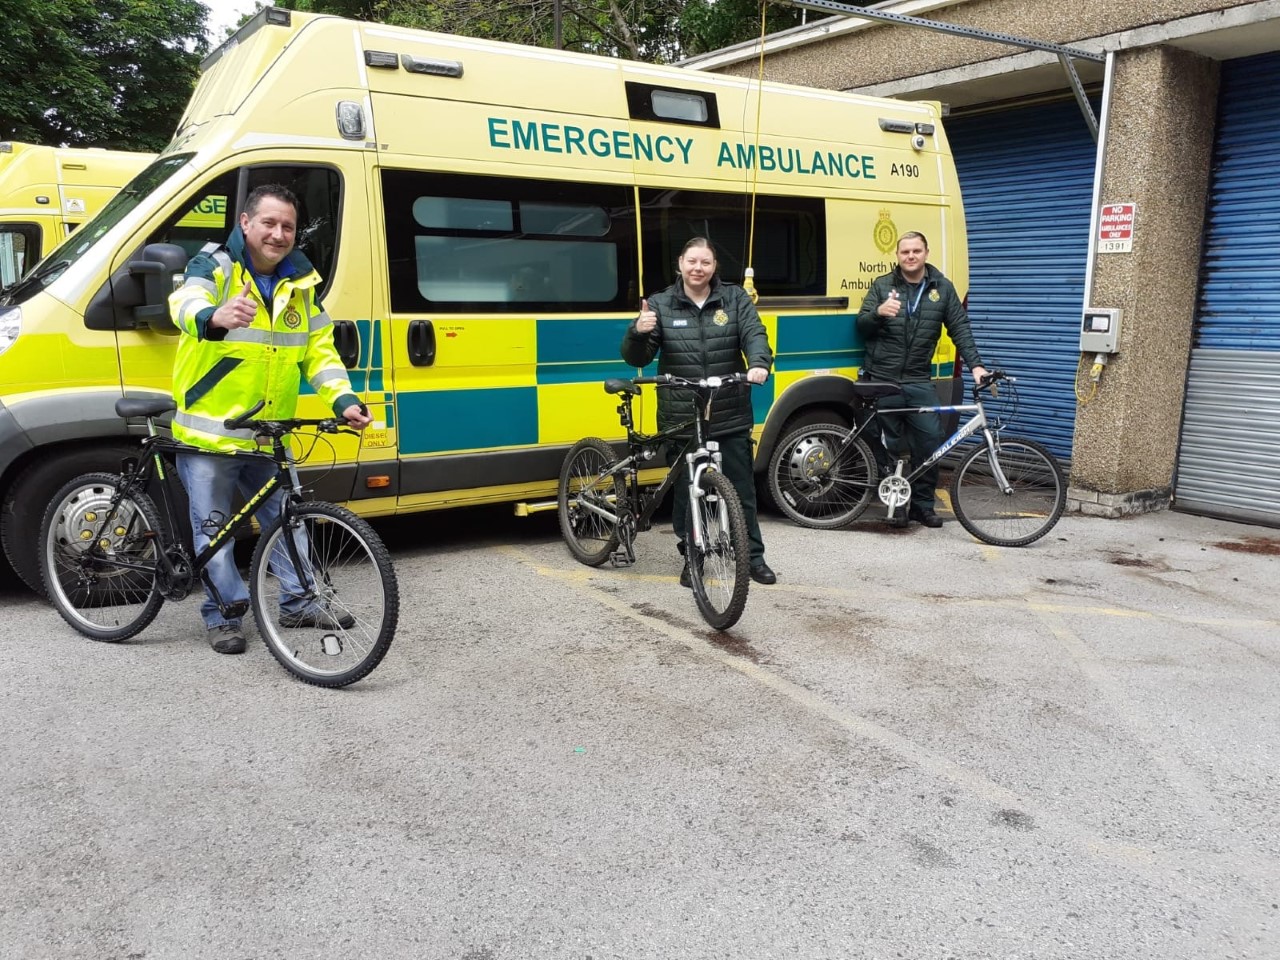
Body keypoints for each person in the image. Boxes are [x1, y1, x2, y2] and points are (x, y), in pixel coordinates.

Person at [168, 184, 371, 654]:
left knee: (290, 520)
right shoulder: (214, 267)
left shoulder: (301, 285)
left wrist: (343, 401)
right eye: (269, 223)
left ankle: (298, 602)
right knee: (214, 529)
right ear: (245, 223)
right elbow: (183, 304)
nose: (278, 234)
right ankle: (223, 615)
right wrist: (214, 316)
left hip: (268, 433)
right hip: (212, 434)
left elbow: (319, 354)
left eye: (288, 227)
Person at [621, 237, 776, 586]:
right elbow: (638, 358)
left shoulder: (735, 298)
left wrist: (759, 364)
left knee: (740, 490)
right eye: (692, 261)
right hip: (681, 414)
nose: (698, 268)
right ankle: (693, 558)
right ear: (680, 263)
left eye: (705, 262)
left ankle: (752, 557)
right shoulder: (661, 304)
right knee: (687, 492)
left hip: (729, 408)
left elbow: (755, 333)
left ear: (714, 266)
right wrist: (637, 331)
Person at [856, 231, 988, 528]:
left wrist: (976, 367)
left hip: (918, 379)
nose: (910, 256)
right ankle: (896, 502)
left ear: (926, 253)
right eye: (905, 252)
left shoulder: (942, 288)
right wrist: (878, 313)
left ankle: (923, 506)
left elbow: (960, 329)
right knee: (888, 444)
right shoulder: (883, 286)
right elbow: (861, 326)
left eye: (916, 251)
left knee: (929, 441)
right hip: (884, 377)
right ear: (897, 256)